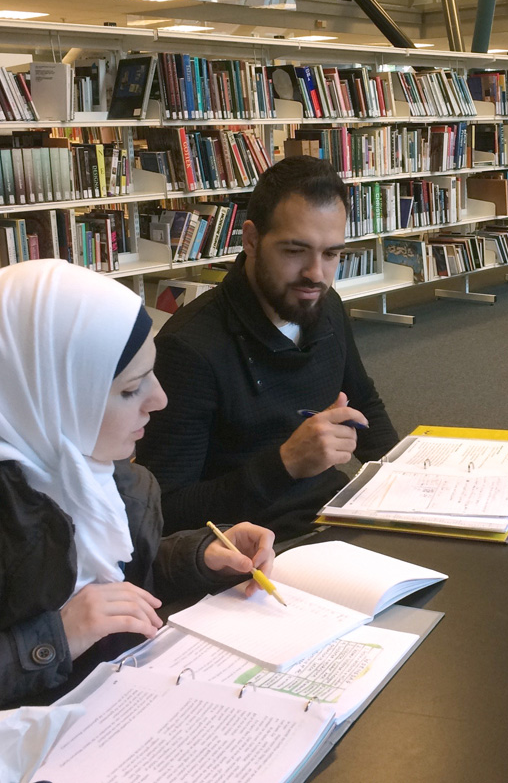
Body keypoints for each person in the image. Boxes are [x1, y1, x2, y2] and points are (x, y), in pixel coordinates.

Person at [0, 259, 276, 708]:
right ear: (51, 396)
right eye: (131, 389)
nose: (160, 399)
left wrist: (200, 555)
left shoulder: (108, 474)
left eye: (153, 374)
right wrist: (62, 635)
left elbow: (120, 575)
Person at [137, 156, 398, 540]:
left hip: (333, 517)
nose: (315, 274)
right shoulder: (189, 350)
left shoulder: (325, 307)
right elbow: (167, 511)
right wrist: (286, 464)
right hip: (251, 552)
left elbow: (363, 403)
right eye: (295, 251)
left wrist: (403, 479)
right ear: (252, 241)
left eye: (331, 254)